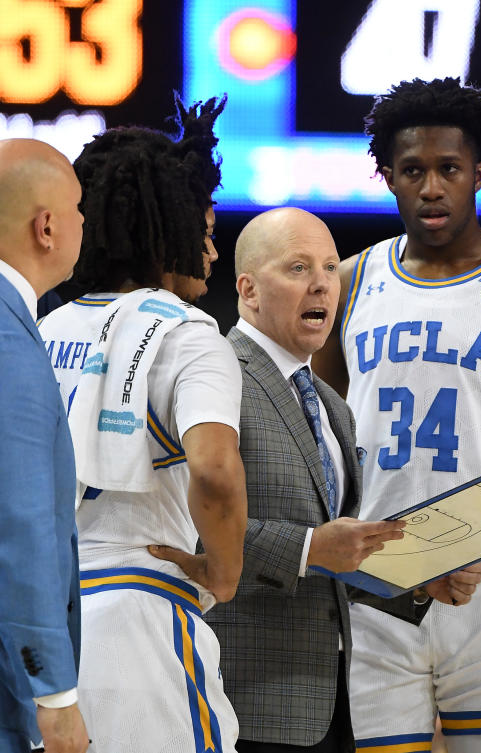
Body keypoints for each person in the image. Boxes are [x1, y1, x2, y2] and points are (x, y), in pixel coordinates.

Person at [312, 77, 481, 752]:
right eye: (413, 170)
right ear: (387, 176)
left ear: (480, 171)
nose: (433, 187)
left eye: (449, 168)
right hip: (380, 587)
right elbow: (320, 438)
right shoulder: (352, 279)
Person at [38, 96, 248, 752]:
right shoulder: (189, 333)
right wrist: (225, 572)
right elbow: (214, 469)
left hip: (48, 635)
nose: (212, 250)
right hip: (146, 621)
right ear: (170, 228)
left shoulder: (41, 328)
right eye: (205, 228)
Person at [198, 206, 418, 751]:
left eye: (328, 268)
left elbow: (334, 563)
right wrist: (309, 549)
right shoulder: (214, 374)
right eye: (298, 268)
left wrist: (416, 582)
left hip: (332, 699)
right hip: (244, 701)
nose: (322, 283)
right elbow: (194, 529)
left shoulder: (333, 407)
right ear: (248, 290)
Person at [0, 139, 87, 753]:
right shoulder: (8, 337)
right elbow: (19, 523)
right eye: (79, 208)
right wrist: (53, 694)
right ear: (48, 226)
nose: (86, 223)